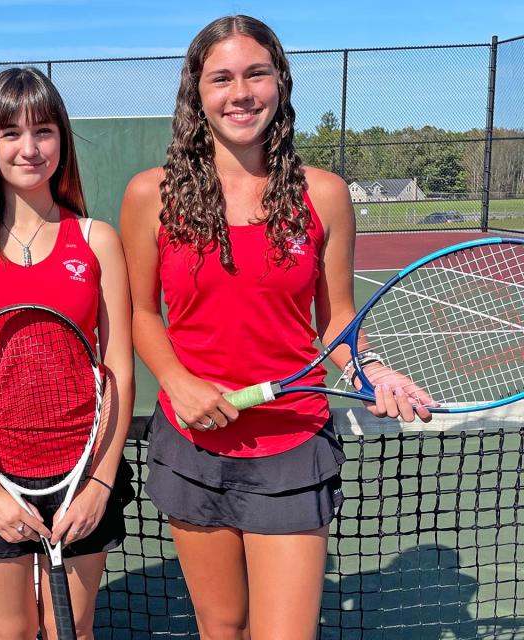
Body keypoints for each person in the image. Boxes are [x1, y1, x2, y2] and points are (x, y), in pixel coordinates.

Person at [119, 15, 433, 640]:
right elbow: (139, 312)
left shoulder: (325, 194)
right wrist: (178, 383)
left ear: (281, 83)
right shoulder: (149, 195)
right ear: (197, 93)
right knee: (222, 627)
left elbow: (338, 319)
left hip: (292, 444)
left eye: (256, 73)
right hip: (192, 446)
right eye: (222, 78)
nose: (241, 93)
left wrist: (370, 369)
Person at [0, 67, 135, 639]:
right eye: (10, 133)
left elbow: (117, 368)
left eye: (43, 130)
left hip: (81, 473)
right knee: (10, 633)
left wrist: (99, 479)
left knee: (75, 630)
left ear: (61, 139)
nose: (29, 147)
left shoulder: (97, 240)